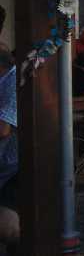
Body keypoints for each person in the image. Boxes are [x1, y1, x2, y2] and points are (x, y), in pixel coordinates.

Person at [0, 45, 19, 250]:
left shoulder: (12, 81)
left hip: (16, 167)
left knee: (9, 229)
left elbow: (3, 129)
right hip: (9, 164)